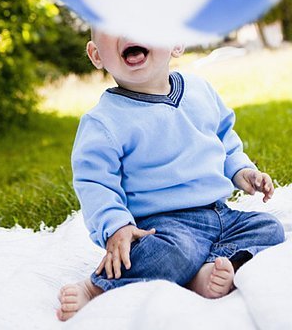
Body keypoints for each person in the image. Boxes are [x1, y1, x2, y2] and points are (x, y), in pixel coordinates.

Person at [56, 30, 285, 322]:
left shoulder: (200, 90)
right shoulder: (104, 121)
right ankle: (98, 287)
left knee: (269, 228)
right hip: (163, 227)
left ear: (176, 43)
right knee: (172, 254)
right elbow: (95, 182)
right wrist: (115, 226)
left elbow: (224, 139)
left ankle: (205, 267)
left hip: (220, 215)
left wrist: (242, 170)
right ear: (96, 55)